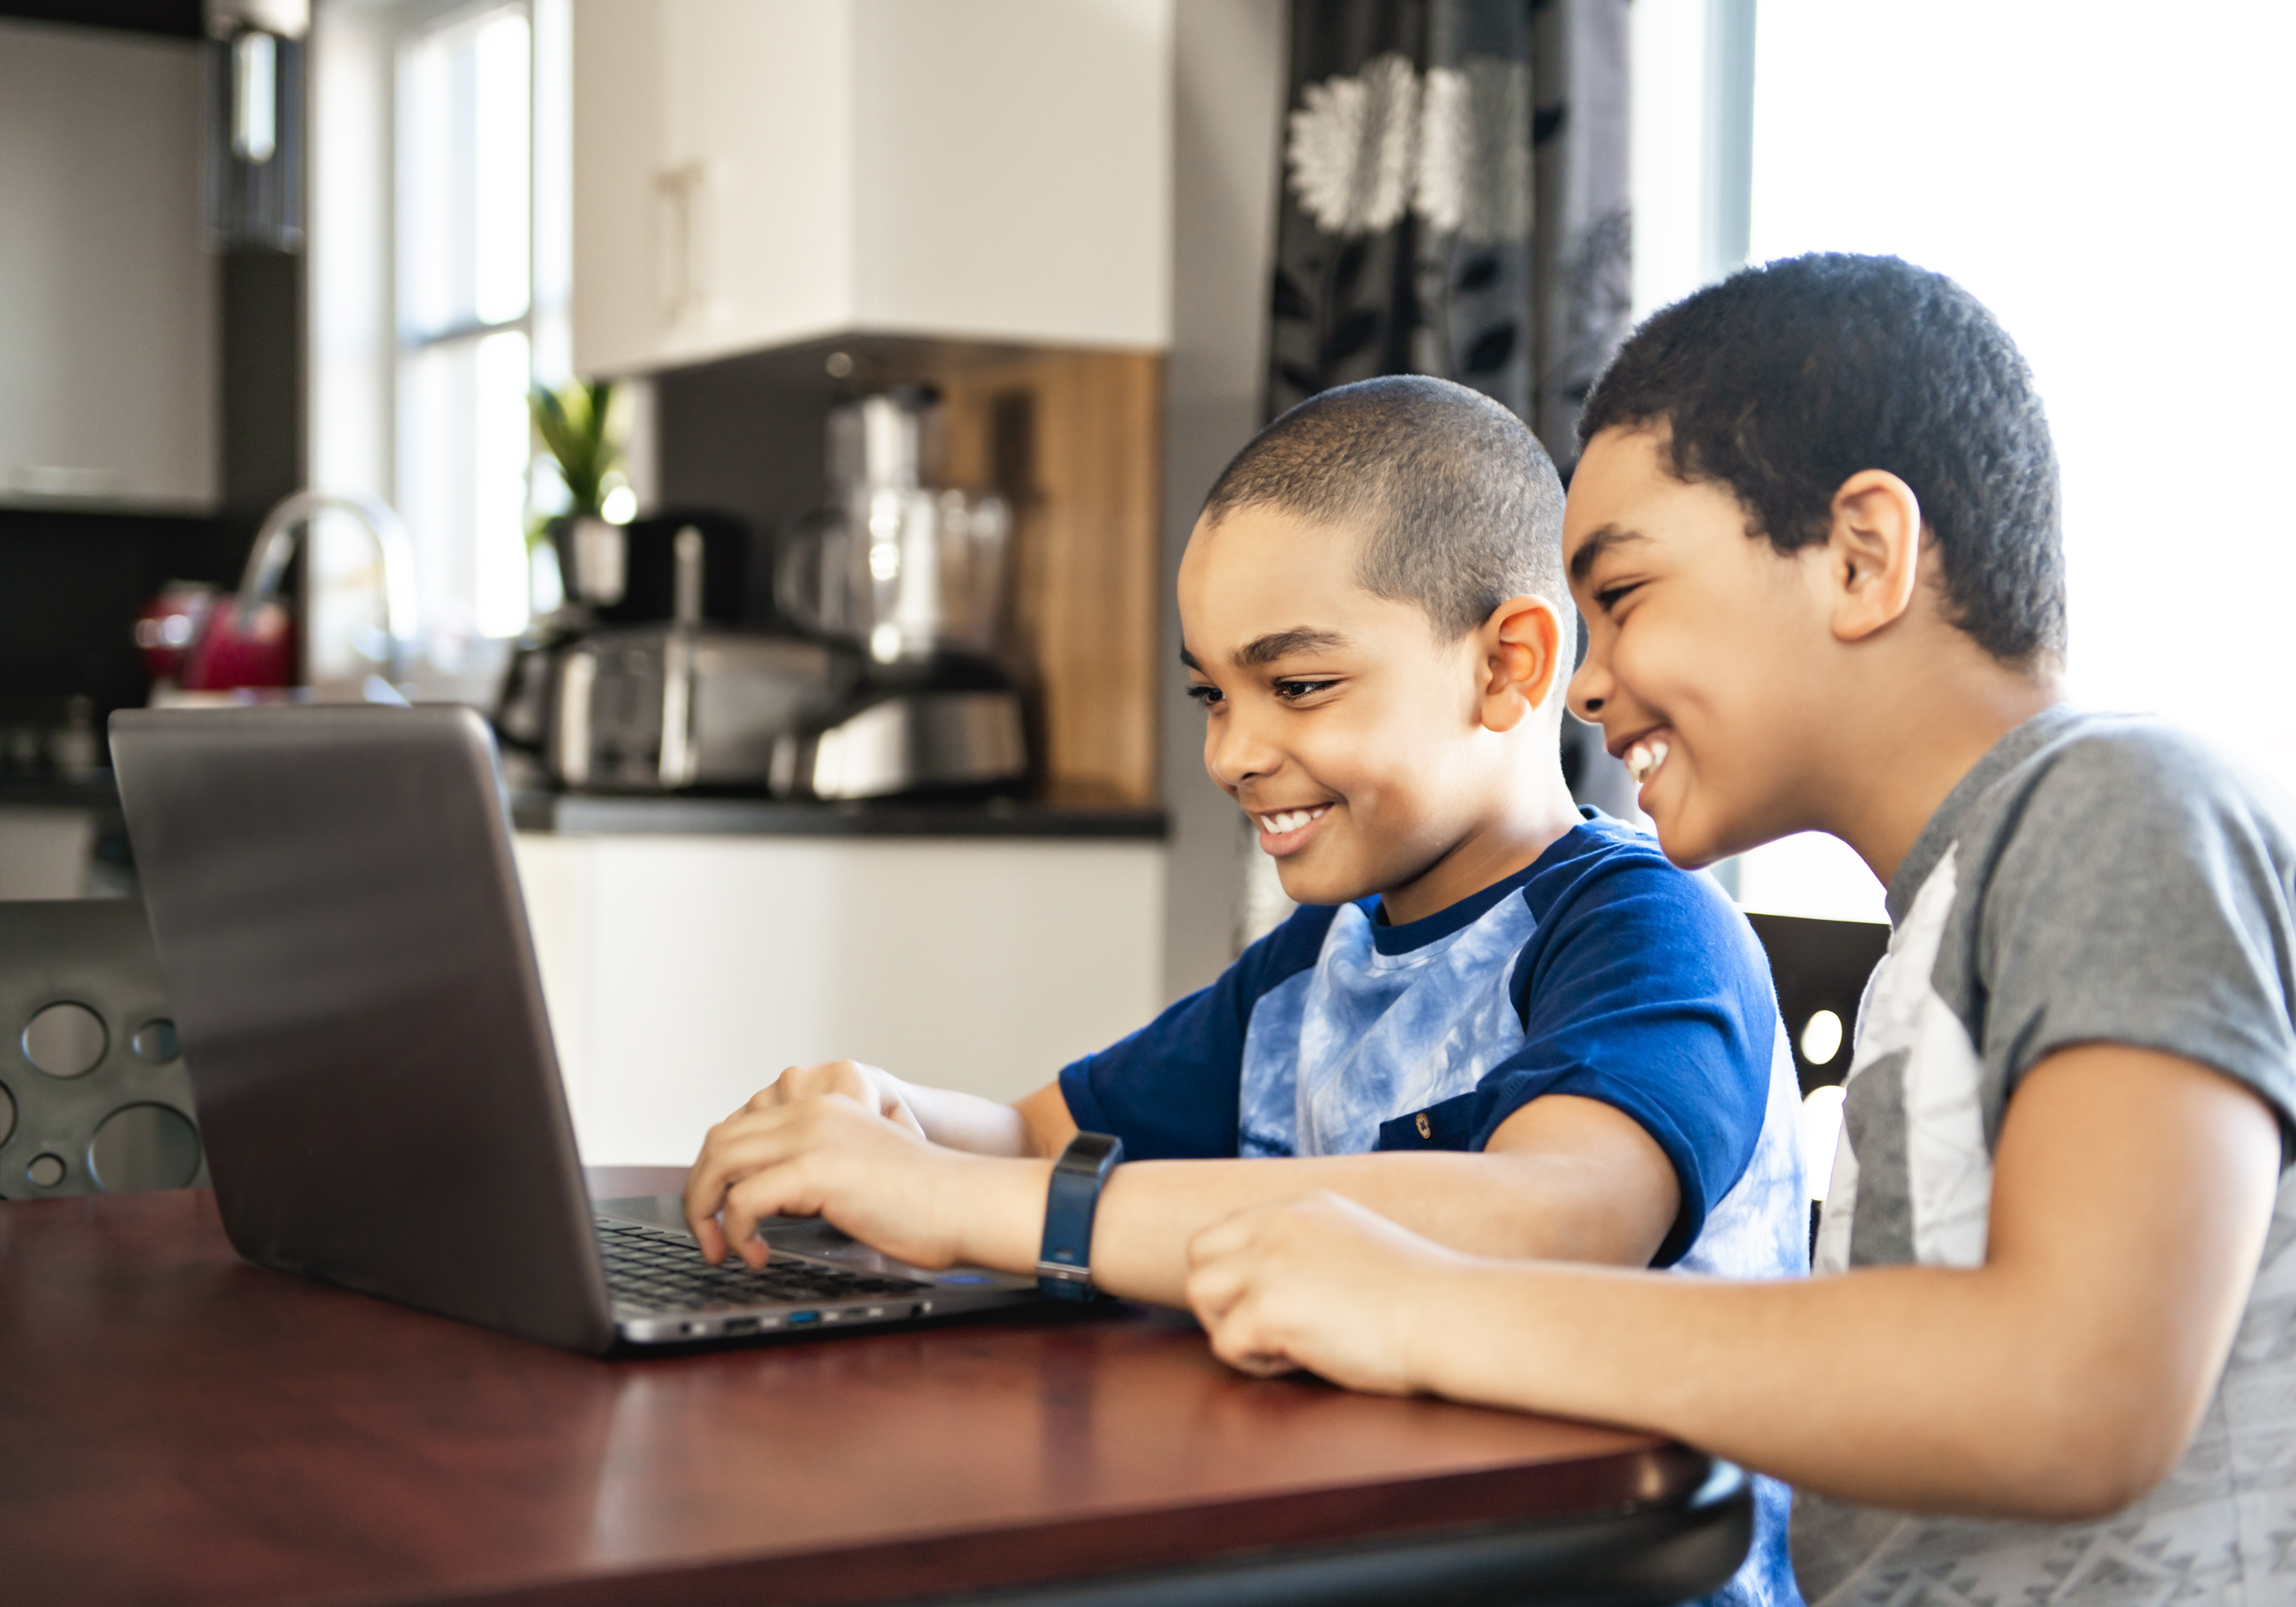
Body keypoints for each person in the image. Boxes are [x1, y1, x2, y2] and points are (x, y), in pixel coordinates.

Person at [1184, 254, 2296, 1607]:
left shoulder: (2121, 807)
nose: (1586, 686)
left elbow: (2079, 1392)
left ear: (1862, 555)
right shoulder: (1947, 920)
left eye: (1628, 597)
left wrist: (1416, 1304)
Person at [684, 374, 1809, 1607]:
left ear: (1509, 665)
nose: (1232, 753)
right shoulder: (1320, 955)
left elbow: (1550, 1221)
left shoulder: (1646, 934)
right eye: (1214, 694)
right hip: (1369, 1544)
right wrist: (887, 1120)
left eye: (1301, 686)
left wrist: (970, 1205)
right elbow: (1032, 1136)